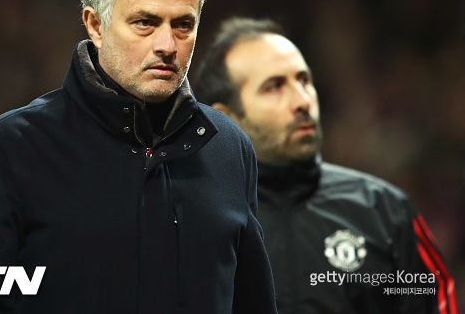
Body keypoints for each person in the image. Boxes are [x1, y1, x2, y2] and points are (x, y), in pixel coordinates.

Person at [0, 0, 277, 313]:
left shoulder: (228, 148)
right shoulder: (10, 150)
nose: (167, 45)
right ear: (95, 25)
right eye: (145, 22)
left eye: (183, 24)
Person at [195, 17, 458, 314]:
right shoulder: (197, 222)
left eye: (304, 80)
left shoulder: (386, 212)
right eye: (275, 87)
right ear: (228, 117)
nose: (303, 100)